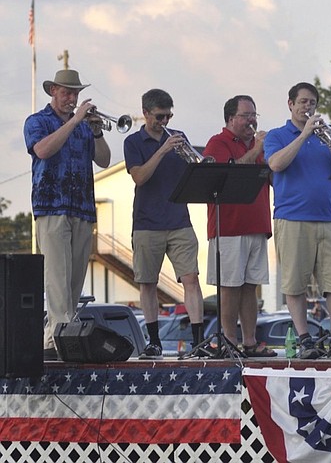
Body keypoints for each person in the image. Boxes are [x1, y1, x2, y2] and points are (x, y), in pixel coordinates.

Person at [24, 69, 111, 361]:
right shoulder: (38, 121)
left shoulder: (86, 127)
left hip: (82, 208)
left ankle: (54, 338)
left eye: (74, 93)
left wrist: (96, 130)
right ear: (53, 92)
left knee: (73, 280)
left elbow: (104, 159)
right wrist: (75, 121)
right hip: (52, 206)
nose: (71, 98)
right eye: (66, 92)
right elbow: (43, 150)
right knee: (57, 277)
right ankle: (64, 341)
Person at [264, 82, 331, 359]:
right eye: (302, 102)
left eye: (311, 102)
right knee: (294, 283)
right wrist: (303, 136)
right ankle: (305, 339)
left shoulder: (326, 136)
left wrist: (329, 139)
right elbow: (276, 164)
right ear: (290, 104)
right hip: (292, 218)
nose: (307, 106)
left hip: (327, 218)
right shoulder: (278, 135)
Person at [123, 89, 206, 359]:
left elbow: (195, 171)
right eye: (160, 116)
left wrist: (193, 161)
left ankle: (198, 341)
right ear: (146, 113)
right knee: (147, 282)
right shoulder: (134, 142)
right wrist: (162, 151)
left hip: (179, 220)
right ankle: (155, 341)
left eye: (169, 115)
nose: (165, 121)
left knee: (191, 279)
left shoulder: (177, 139)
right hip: (147, 223)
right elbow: (139, 177)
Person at [203, 95, 275, 357]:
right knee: (230, 286)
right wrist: (257, 150)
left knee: (250, 287)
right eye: (246, 115)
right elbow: (229, 175)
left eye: (254, 115)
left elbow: (274, 180)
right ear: (231, 119)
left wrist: (270, 153)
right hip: (229, 227)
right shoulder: (218, 143)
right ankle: (229, 341)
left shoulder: (259, 146)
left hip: (257, 225)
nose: (252, 120)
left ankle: (250, 341)